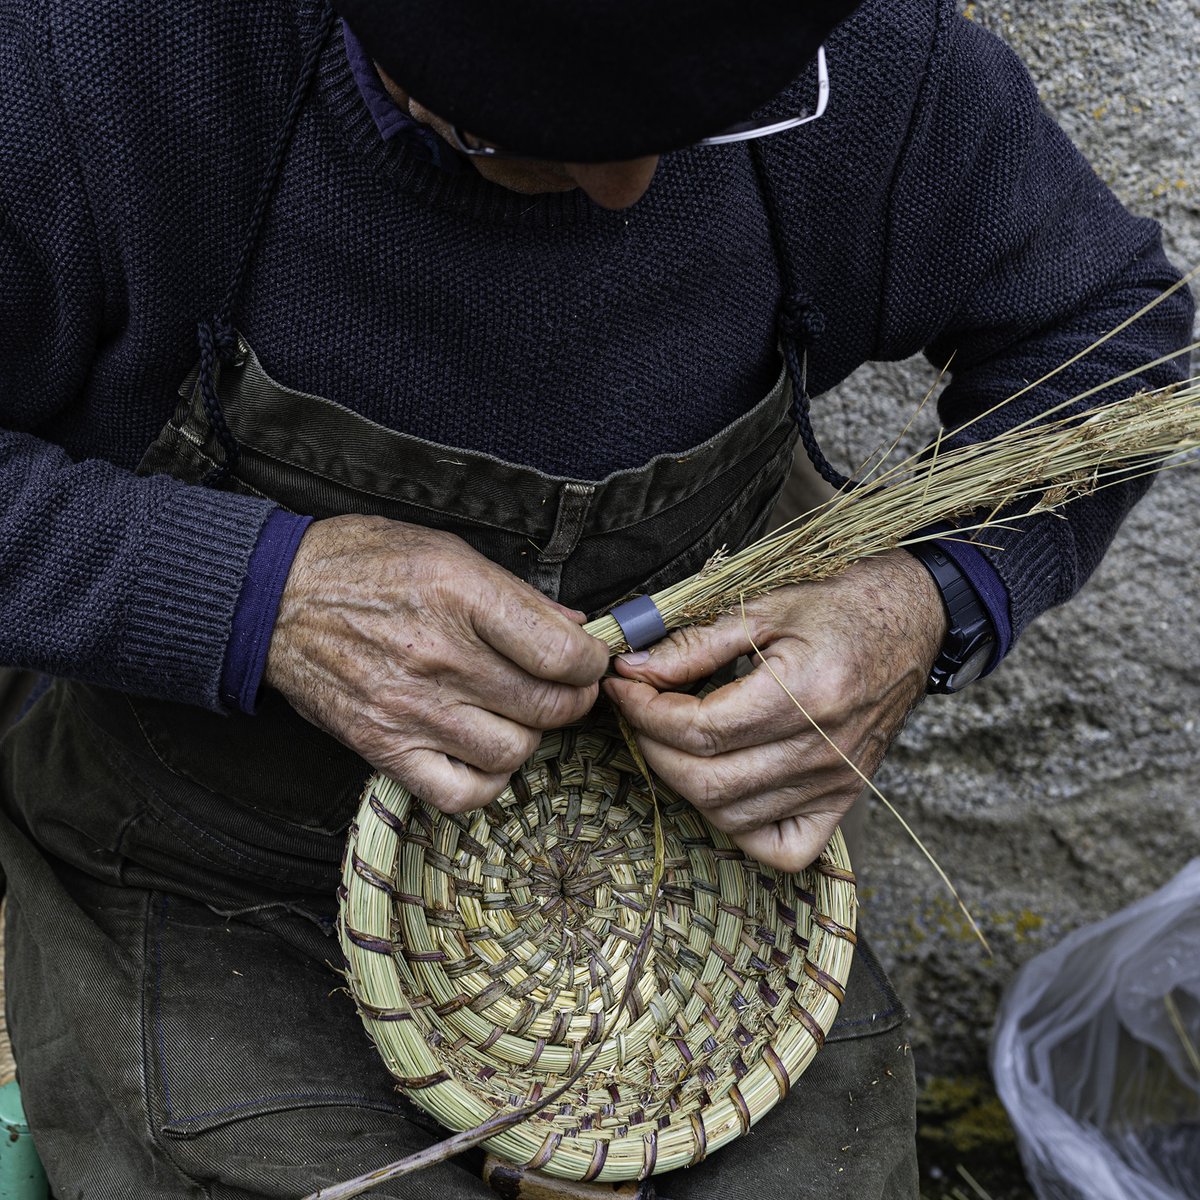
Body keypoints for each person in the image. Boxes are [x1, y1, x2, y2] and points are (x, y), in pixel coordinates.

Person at [0, 0, 1192, 1196]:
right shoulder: (107, 62)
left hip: (699, 910)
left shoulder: (855, 60)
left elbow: (1118, 346)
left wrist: (924, 599)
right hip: (225, 870)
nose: (626, 188)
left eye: (699, 124)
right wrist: (256, 595)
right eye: (511, 131)